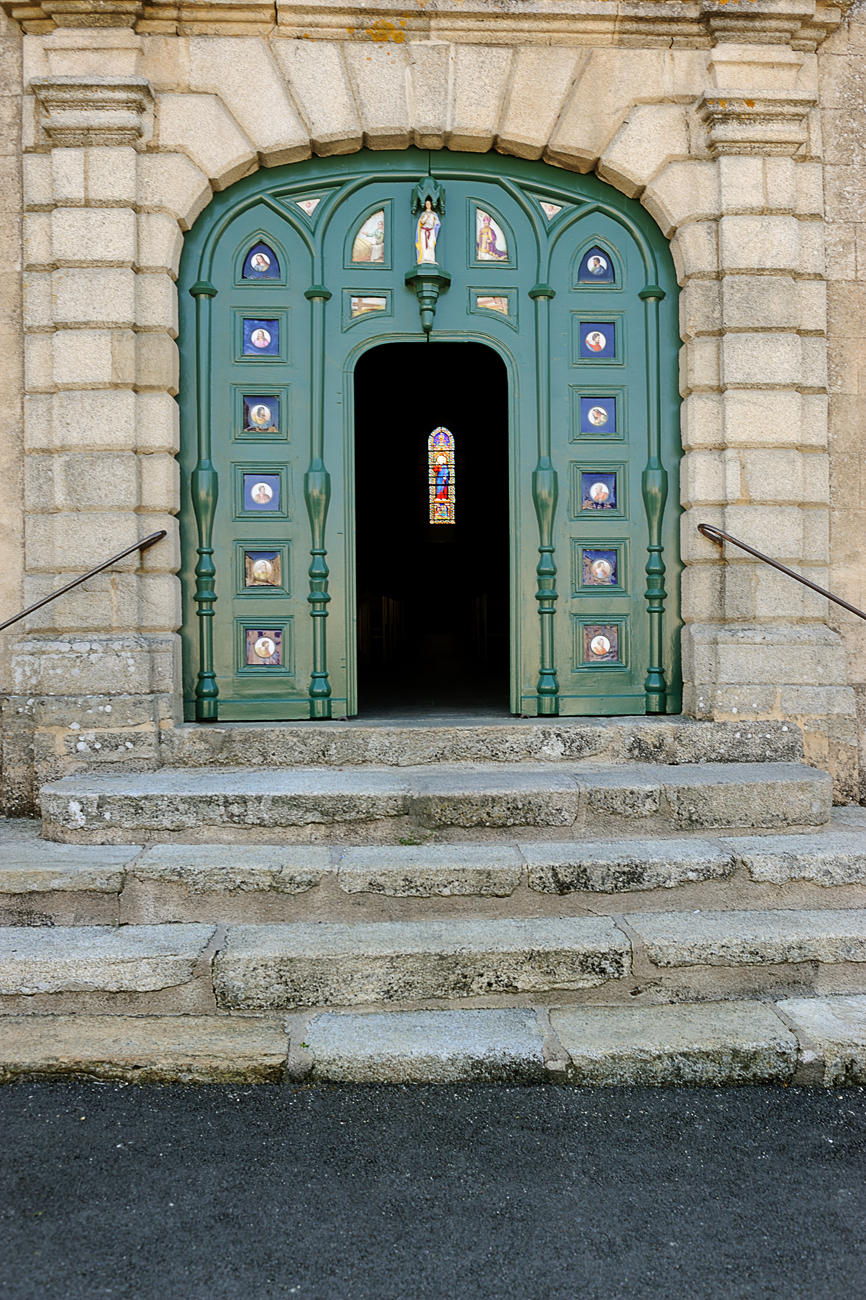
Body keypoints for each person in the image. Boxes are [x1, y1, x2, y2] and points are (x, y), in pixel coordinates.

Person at [416, 199, 440, 264]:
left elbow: (437, 224)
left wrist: (435, 222)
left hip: (431, 231)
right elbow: (422, 221)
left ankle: (431, 258)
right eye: (426, 204)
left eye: (429, 204)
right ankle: (424, 258)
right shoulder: (423, 214)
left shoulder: (434, 214)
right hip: (424, 231)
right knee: (424, 245)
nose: (428, 205)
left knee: (430, 245)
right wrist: (426, 217)